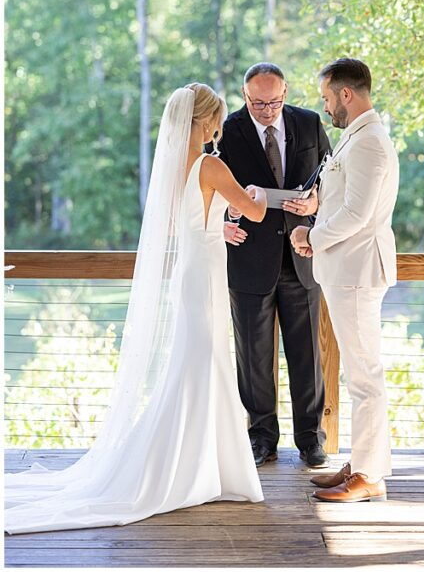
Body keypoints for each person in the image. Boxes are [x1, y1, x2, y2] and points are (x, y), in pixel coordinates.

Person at [5, 84, 267, 534]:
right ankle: (195, 470)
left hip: (191, 271)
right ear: (205, 122)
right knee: (203, 365)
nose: (219, 127)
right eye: (217, 119)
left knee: (200, 365)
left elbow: (178, 224)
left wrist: (214, 229)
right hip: (204, 278)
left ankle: (211, 467)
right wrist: (258, 193)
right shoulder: (211, 164)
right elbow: (256, 213)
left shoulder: (171, 168)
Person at [290, 58, 400, 503]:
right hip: (346, 269)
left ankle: (370, 476)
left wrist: (312, 234)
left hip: (357, 271)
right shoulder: (358, 139)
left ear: (346, 94)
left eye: (327, 98)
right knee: (361, 374)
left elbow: (358, 214)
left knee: (364, 377)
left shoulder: (370, 141)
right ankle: (363, 462)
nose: (326, 108)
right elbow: (346, 201)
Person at [217, 63, 333, 468]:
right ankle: (261, 437)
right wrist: (221, 223)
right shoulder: (228, 131)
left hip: (302, 255)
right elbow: (206, 188)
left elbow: (333, 179)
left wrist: (315, 204)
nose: (267, 110)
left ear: (286, 93)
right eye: (258, 103)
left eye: (274, 101)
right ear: (244, 96)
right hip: (249, 257)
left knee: (307, 355)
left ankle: (311, 439)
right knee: (253, 356)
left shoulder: (309, 123)